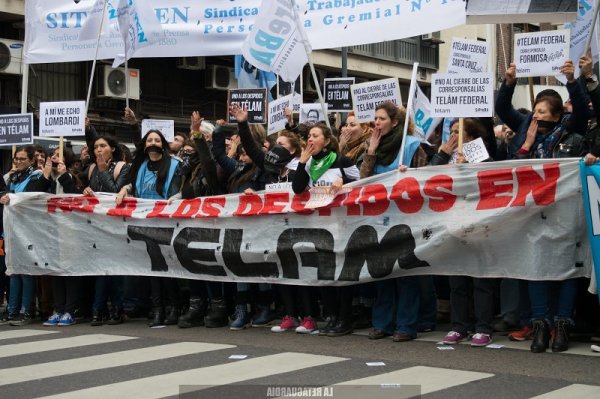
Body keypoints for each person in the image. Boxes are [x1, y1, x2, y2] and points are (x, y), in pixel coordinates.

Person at [495, 59, 587, 353]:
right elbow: (502, 110)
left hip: (565, 210)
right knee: (535, 266)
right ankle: (540, 323)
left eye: (543, 112)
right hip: (532, 211)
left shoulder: (571, 131)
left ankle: (561, 324)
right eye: (534, 110)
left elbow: (584, 110)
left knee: (565, 267)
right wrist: (509, 83)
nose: (536, 115)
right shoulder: (524, 128)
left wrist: (573, 80)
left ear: (558, 115)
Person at [360, 101, 433, 343]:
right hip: (380, 219)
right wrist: (371, 150)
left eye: (381, 119)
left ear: (395, 122)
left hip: (407, 218)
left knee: (405, 274)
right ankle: (382, 323)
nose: (377, 123)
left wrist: (409, 175)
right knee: (383, 273)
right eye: (375, 118)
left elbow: (427, 179)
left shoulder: (413, 147)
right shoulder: (374, 146)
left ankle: (406, 324)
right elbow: (363, 180)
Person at [292, 123, 360, 335]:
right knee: (324, 272)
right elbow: (297, 188)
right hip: (319, 225)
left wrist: (344, 180)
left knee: (342, 271)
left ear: (327, 141)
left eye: (315, 136)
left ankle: (345, 318)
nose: (310, 139)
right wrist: (302, 162)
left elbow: (363, 182)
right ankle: (331, 315)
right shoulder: (308, 163)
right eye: (309, 136)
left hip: (342, 224)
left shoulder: (342, 161)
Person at [116, 129, 183, 327]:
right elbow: (133, 185)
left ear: (163, 144)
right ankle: (157, 308)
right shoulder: (140, 165)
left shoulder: (175, 165)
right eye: (149, 139)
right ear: (145, 144)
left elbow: (180, 188)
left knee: (166, 265)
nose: (153, 142)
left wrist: (177, 198)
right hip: (145, 221)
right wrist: (124, 189)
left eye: (157, 139)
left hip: (166, 221)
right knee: (154, 267)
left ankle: (173, 306)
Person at [81, 135, 131, 326]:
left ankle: (110, 308)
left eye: (103, 146)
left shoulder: (122, 168)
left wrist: (103, 171)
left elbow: (114, 192)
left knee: (113, 268)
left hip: (116, 225)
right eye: (96, 147)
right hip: (96, 224)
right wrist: (86, 190)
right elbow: (88, 191)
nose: (99, 150)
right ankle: (101, 308)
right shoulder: (91, 168)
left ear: (113, 148)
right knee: (101, 268)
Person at [0, 146, 46, 325]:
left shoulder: (35, 176)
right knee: (13, 270)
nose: (18, 162)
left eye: (22, 159)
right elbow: (6, 194)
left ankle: (26, 310)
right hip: (12, 229)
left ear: (31, 160)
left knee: (26, 271)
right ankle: (12, 310)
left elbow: (31, 198)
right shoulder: (12, 177)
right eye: (16, 159)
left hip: (28, 229)